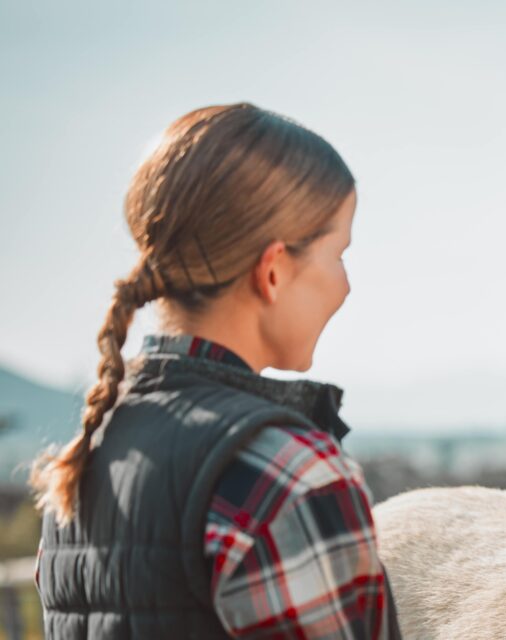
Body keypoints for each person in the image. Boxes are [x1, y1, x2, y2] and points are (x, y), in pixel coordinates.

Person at [28, 104, 400, 639]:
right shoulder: (290, 473)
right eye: (338, 254)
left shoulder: (88, 455)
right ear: (274, 270)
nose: (345, 286)